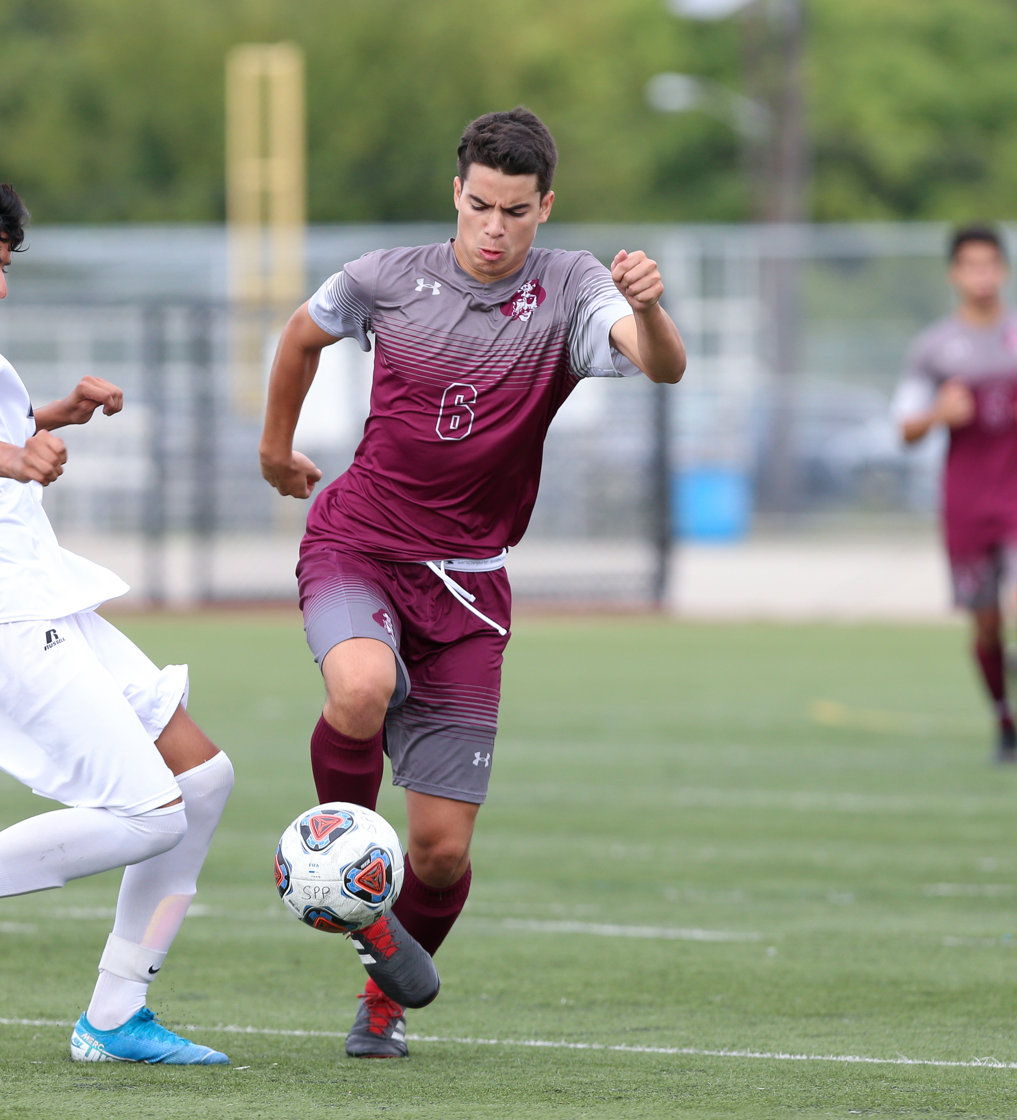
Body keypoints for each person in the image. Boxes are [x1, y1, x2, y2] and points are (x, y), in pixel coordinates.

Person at [259, 108, 686, 1058]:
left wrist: (651, 306)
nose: (494, 230)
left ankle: (381, 996)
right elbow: (297, 337)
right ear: (457, 192)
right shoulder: (386, 277)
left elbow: (663, 367)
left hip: (467, 587)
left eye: (517, 212)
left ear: (545, 208)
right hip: (357, 541)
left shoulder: (575, 287)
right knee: (361, 688)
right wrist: (275, 448)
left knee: (442, 853)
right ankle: (346, 857)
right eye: (481, 206)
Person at [0, 168, 232, 1065]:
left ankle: (112, 1016)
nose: (0, 285)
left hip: (29, 595)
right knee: (151, 812)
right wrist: (21, 457)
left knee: (204, 780)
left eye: (6, 266)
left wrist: (56, 414)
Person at [895, 224, 1017, 763]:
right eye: (971, 265)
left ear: (1004, 270)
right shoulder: (934, 348)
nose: (982, 275)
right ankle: (1004, 723)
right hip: (967, 504)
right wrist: (938, 414)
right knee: (987, 623)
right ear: (955, 274)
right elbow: (904, 428)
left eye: (990, 264)